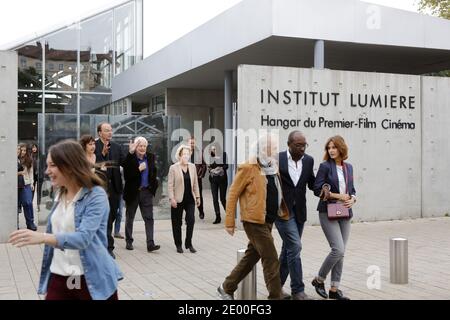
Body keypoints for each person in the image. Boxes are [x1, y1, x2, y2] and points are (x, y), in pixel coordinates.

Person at [8, 140, 123, 300]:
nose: (47, 171)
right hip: (62, 276)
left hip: (92, 279)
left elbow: (83, 238)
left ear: (70, 165)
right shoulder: (61, 193)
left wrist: (41, 238)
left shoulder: (96, 195)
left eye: (52, 165)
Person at [217, 133, 289, 300]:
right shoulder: (249, 167)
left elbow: (274, 190)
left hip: (268, 220)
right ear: (265, 149)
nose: (278, 151)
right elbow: (233, 193)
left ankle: (226, 288)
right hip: (254, 221)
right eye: (275, 148)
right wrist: (229, 222)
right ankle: (275, 296)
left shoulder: (272, 166)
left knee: (251, 257)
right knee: (271, 257)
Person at [311, 135, 356, 300]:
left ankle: (334, 289)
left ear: (341, 148)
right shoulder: (325, 167)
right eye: (329, 148)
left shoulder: (349, 167)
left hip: (345, 212)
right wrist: (339, 195)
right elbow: (317, 189)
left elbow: (352, 189)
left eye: (334, 147)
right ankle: (319, 279)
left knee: (341, 252)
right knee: (338, 249)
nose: (331, 150)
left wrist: (352, 199)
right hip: (327, 211)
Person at [275, 131, 315, 300]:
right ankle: (297, 290)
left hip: (299, 213)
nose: (302, 148)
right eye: (298, 145)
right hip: (282, 212)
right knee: (295, 247)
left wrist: (324, 187)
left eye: (304, 145)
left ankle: (275, 288)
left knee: (288, 250)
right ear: (289, 144)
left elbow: (312, 183)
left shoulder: (308, 160)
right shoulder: (278, 159)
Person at [122, 137, 160, 252]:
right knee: (130, 217)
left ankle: (150, 244)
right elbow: (127, 175)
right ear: (136, 147)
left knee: (149, 218)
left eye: (144, 146)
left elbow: (154, 172)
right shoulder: (130, 158)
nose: (142, 148)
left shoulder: (151, 157)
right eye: (140, 146)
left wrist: (153, 187)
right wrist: (138, 169)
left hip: (146, 192)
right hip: (133, 192)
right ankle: (129, 241)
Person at [95, 122, 125, 259]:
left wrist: (131, 153)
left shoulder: (117, 147)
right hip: (99, 189)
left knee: (111, 216)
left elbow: (125, 163)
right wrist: (102, 154)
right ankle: (107, 247)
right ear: (99, 132)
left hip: (114, 188)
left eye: (111, 130)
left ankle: (105, 244)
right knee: (103, 218)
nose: (110, 133)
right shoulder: (93, 146)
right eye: (107, 130)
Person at [168, 145, 200, 253]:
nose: (186, 156)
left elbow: (195, 183)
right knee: (177, 223)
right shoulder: (173, 168)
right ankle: (178, 244)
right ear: (179, 155)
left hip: (190, 198)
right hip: (177, 199)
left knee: (191, 220)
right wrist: (171, 198)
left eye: (188, 154)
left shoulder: (192, 167)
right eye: (184, 154)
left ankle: (189, 243)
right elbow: (170, 185)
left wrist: (197, 196)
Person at [18, 143, 37, 231]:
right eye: (21, 150)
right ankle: (16, 224)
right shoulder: (15, 159)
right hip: (17, 185)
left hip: (26, 183)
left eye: (24, 150)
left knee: (28, 203)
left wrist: (32, 183)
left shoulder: (29, 160)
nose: (23, 152)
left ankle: (30, 223)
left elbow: (31, 173)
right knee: (17, 205)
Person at [207, 145, 228, 224]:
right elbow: (209, 168)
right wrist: (211, 170)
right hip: (213, 180)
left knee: (222, 199)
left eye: (214, 149)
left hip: (222, 179)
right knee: (215, 199)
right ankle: (218, 216)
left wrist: (220, 169)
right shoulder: (211, 157)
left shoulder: (224, 154)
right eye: (212, 149)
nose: (213, 151)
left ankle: (229, 215)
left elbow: (226, 166)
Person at [188, 137, 207, 219]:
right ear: (188, 143)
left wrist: (200, 175)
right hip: (187, 178)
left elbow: (204, 165)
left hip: (196, 178)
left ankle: (201, 212)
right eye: (190, 143)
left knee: (198, 195)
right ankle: (189, 215)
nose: (192, 144)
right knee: (188, 196)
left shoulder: (199, 152)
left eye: (193, 143)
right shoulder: (185, 152)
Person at [30, 143, 43, 212]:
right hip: (32, 176)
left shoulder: (40, 156)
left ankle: (38, 205)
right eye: (33, 147)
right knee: (32, 190)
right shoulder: (30, 156)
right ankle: (30, 204)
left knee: (39, 191)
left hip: (39, 175)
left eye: (35, 147)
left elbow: (43, 165)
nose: (34, 149)